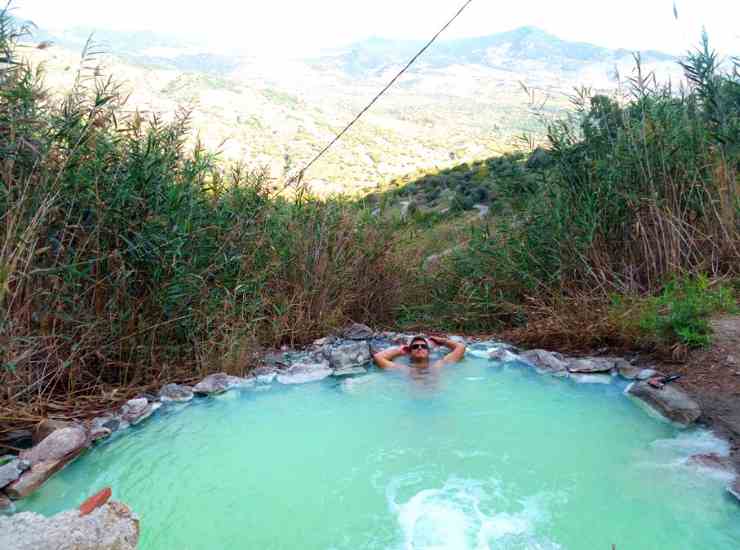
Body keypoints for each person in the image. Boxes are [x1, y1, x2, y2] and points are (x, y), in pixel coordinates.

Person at [372, 335, 466, 370]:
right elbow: (378, 357)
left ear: (428, 351)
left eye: (424, 346)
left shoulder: (439, 365)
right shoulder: (405, 370)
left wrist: (442, 341)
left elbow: (460, 347)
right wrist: (399, 350)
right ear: (410, 351)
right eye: (415, 346)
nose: (420, 348)